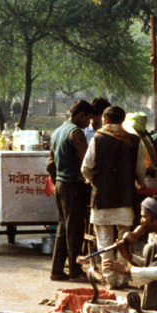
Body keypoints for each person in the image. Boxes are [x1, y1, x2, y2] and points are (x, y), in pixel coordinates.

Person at [82, 106, 146, 289]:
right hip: (125, 199)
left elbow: (86, 167)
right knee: (124, 242)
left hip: (102, 199)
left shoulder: (98, 139)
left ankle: (110, 280)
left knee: (104, 243)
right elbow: (140, 171)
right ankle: (123, 278)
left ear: (107, 119)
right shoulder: (134, 140)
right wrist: (141, 184)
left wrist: (95, 181)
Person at [47, 100, 93, 281]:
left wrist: (57, 180)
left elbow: (50, 164)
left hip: (60, 184)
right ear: (80, 115)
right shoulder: (76, 133)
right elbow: (88, 161)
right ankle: (75, 271)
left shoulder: (57, 132)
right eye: (88, 118)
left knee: (63, 228)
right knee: (75, 230)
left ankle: (57, 270)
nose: (89, 123)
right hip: (73, 185)